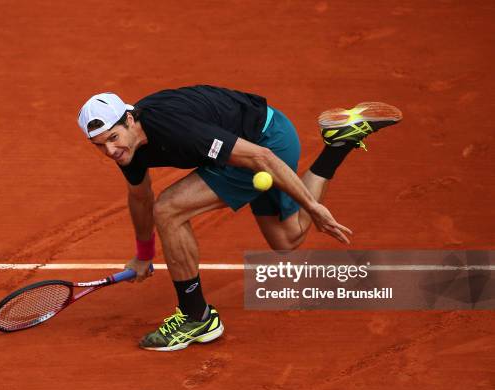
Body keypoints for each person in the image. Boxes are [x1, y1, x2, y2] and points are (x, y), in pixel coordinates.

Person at [77, 86, 401, 351]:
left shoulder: (175, 128)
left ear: (131, 120)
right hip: (244, 145)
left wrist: (313, 207)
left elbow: (261, 157)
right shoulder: (129, 146)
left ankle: (197, 316)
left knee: (169, 208)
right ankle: (338, 145)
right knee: (286, 240)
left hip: (265, 143)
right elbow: (139, 196)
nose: (110, 151)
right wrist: (143, 255)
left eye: (113, 139)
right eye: (100, 146)